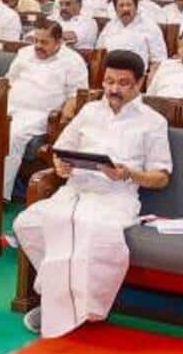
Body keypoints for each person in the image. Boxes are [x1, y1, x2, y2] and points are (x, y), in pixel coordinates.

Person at [14, 50, 171, 335]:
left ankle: (65, 307)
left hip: (116, 197)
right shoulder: (89, 111)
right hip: (75, 191)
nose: (113, 89)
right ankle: (63, 298)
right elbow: (60, 150)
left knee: (88, 231)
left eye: (123, 83)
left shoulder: (153, 121)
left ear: (139, 84)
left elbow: (161, 177)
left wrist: (128, 173)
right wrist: (60, 166)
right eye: (109, 81)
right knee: (27, 222)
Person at [1, 20, 90, 197]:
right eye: (36, 41)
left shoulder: (73, 61)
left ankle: (0, 193)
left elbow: (76, 95)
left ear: (59, 42)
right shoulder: (24, 53)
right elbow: (8, 81)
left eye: (44, 42)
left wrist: (65, 118)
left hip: (41, 114)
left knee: (13, 135)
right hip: (10, 107)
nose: (38, 46)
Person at [97, 0, 168, 65]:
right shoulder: (110, 26)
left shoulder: (150, 27)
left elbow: (159, 60)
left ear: (136, 7)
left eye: (129, 5)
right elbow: (99, 52)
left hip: (137, 74)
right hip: (110, 72)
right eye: (121, 5)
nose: (125, 9)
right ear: (115, 9)